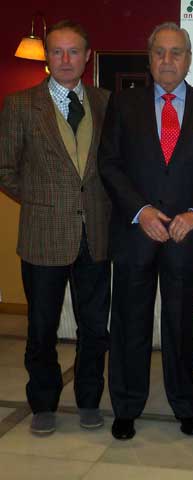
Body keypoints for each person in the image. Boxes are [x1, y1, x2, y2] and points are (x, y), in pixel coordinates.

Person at [98, 22, 193, 440]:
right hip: (137, 235)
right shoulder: (124, 104)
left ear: (189, 59)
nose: (168, 60)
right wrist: (141, 211)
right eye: (160, 52)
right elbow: (109, 164)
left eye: (177, 52)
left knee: (180, 327)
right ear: (149, 58)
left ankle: (186, 406)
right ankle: (125, 406)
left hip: (185, 237)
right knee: (129, 325)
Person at [0, 20, 110, 435]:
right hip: (43, 235)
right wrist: (41, 201)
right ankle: (43, 402)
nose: (66, 60)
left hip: (96, 235)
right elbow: (5, 168)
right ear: (47, 58)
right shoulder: (20, 105)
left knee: (95, 327)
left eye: (74, 52)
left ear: (86, 56)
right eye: (58, 52)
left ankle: (88, 400)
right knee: (42, 327)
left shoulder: (105, 102)